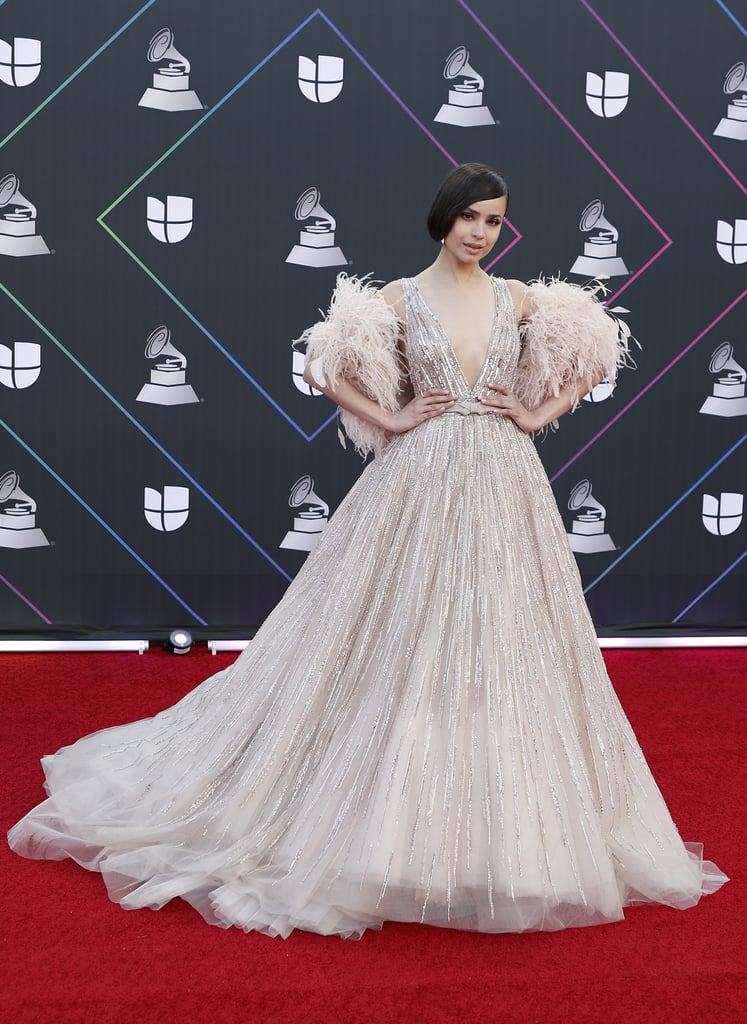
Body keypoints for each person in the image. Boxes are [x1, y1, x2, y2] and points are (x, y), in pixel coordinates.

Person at [8, 163, 727, 939]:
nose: (480, 232)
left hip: (504, 483)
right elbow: (326, 368)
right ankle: (388, 817)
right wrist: (394, 417)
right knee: (399, 632)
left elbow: (592, 358)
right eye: (469, 217)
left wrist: (534, 410)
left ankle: (496, 823)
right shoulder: (394, 300)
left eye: (493, 220)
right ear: (442, 218)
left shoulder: (519, 298)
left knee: (504, 639)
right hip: (413, 481)